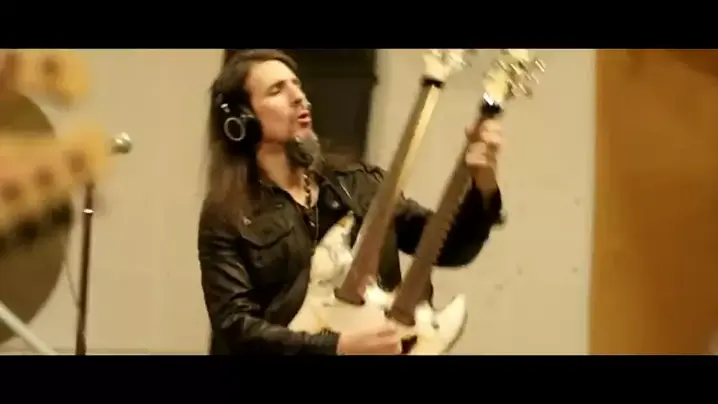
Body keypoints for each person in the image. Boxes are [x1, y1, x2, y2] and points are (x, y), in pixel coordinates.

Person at [198, 49, 505, 355]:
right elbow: (236, 327)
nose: (299, 97)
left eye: (296, 84)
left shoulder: (360, 184)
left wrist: (483, 186)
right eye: (277, 90)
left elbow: (452, 246)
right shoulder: (228, 215)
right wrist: (338, 347)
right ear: (243, 119)